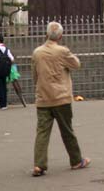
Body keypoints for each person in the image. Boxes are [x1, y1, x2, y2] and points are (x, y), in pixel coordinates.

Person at [31, 20, 90, 177]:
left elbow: (34, 75)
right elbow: (76, 64)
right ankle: (76, 160)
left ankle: (39, 164)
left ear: (46, 34)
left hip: (43, 97)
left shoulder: (37, 52)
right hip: (61, 97)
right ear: (61, 36)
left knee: (42, 132)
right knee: (67, 130)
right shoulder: (62, 51)